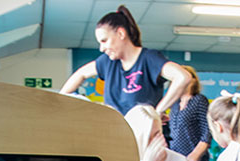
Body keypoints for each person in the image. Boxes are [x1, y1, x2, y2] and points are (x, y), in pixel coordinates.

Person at [58, 5, 191, 116]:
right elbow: (80, 74)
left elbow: (183, 77)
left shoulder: (148, 59)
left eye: (104, 41)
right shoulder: (107, 62)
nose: (101, 48)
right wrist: (58, 100)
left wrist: (157, 112)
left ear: (121, 34)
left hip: (143, 138)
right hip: (115, 135)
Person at [168, 66, 212, 161]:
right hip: (176, 158)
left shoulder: (199, 100)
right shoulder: (174, 104)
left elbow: (207, 131)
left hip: (194, 156)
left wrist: (195, 156)